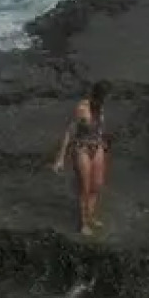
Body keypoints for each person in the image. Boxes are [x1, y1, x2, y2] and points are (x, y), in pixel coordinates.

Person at [51, 81, 111, 236]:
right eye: (99, 98)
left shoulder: (101, 107)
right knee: (84, 187)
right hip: (82, 148)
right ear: (94, 96)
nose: (101, 101)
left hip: (96, 147)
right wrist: (60, 158)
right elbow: (69, 132)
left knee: (97, 185)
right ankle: (83, 222)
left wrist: (103, 142)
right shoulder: (82, 109)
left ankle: (91, 216)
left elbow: (99, 128)